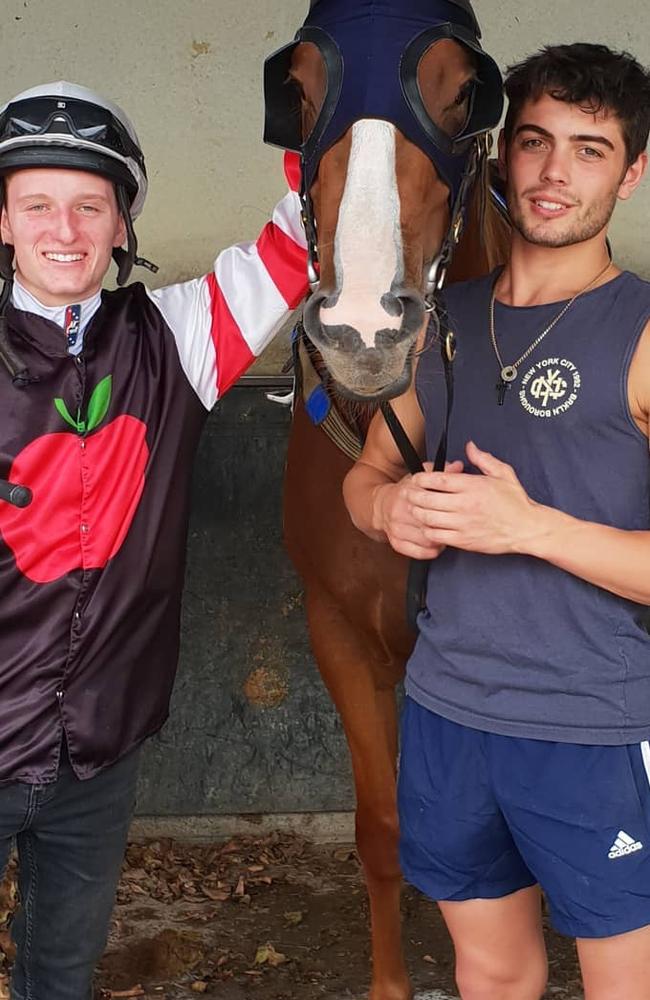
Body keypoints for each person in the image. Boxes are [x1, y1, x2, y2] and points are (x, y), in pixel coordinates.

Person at [343, 43, 650, 1000]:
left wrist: (529, 528)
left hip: (596, 726)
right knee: (490, 970)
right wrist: (392, 507)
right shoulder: (441, 320)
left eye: (590, 150)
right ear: (502, 156)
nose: (556, 173)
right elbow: (368, 476)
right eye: (534, 142)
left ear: (632, 173)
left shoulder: (642, 332)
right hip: (448, 717)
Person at [0, 81, 308, 999]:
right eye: (38, 204)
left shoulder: (177, 338)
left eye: (90, 205)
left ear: (123, 223)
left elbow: (298, 246)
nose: (66, 229)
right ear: (4, 220)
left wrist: (329, 100)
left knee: (59, 974)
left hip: (98, 749)